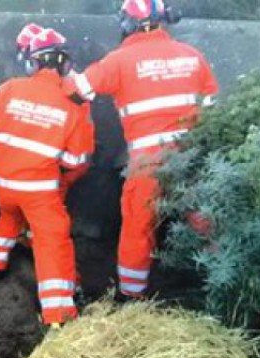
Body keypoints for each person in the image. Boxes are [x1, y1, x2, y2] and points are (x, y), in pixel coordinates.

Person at [63, 0, 218, 299]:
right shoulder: (193, 56)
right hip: (190, 157)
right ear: (165, 20)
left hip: (147, 161)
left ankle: (132, 298)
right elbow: (213, 109)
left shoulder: (119, 60)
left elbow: (75, 91)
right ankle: (223, 282)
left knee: (138, 226)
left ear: (125, 24)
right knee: (204, 219)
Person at [0, 28, 94, 327]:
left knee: (7, 219)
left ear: (32, 63)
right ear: (64, 64)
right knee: (52, 240)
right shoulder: (75, 105)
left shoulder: (8, 89)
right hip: (38, 191)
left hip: (0, 184)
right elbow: (76, 160)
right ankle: (58, 315)